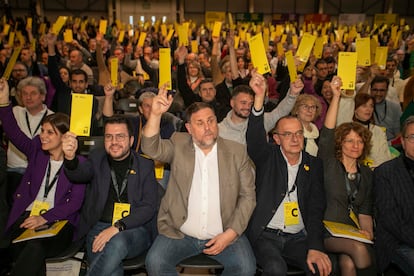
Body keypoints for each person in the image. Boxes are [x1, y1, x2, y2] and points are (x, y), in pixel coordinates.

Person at [142, 87, 256, 275]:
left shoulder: (236, 152)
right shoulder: (178, 144)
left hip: (224, 232)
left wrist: (230, 234)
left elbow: (248, 197)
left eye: (211, 121)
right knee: (155, 262)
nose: (208, 127)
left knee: (246, 268)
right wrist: (155, 115)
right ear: (189, 128)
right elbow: (150, 147)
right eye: (200, 123)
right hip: (180, 233)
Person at [246, 70, 331, 276]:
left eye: (299, 134)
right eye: (287, 135)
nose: (294, 139)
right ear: (276, 139)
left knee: (322, 267)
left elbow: (316, 207)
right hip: (266, 235)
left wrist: (315, 246)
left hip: (297, 237)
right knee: (276, 268)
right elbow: (255, 139)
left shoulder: (314, 164)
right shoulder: (268, 157)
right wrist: (259, 99)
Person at [0, 78, 86, 276]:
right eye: (42, 131)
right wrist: (4, 101)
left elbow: (74, 204)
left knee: (34, 248)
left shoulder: (78, 164)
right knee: (17, 247)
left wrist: (43, 218)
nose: (42, 136)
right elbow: (13, 132)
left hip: (59, 222)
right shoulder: (37, 154)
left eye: (50, 133)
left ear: (64, 137)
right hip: (29, 216)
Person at [62, 115, 158, 276]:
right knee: (111, 270)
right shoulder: (97, 157)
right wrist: (70, 158)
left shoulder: (145, 165)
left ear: (131, 140)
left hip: (134, 229)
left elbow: (149, 207)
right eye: (109, 137)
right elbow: (79, 175)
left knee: (118, 242)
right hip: (99, 227)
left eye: (120, 136)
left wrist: (117, 227)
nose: (114, 142)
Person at [318, 76, 375, 276]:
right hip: (326, 230)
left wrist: (368, 232)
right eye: (349, 141)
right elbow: (327, 132)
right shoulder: (329, 163)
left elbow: (365, 210)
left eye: (359, 142)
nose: (355, 146)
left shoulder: (366, 173)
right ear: (340, 143)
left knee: (350, 265)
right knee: (359, 251)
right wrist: (335, 97)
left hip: (352, 231)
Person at [6, 77, 54, 212]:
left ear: (43, 96)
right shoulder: (14, 112)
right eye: (24, 94)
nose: (28, 97)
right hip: (14, 170)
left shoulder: (53, 117)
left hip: (39, 172)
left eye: (33, 93)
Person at [374, 116, 414, 275]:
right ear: (402, 142)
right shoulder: (386, 172)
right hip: (398, 242)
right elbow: (391, 219)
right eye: (412, 137)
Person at [218, 84, 298, 145]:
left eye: (250, 104)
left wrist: (293, 94)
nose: (247, 107)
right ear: (232, 103)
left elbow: (280, 112)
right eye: (243, 103)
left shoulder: (260, 121)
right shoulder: (219, 131)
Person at [352, 93, 392, 168]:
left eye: (371, 106)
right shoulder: (348, 130)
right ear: (355, 109)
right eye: (364, 106)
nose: (368, 109)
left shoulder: (378, 131)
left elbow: (385, 157)